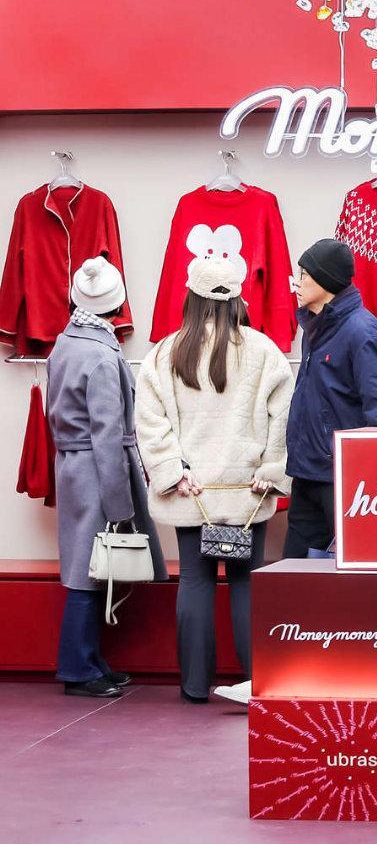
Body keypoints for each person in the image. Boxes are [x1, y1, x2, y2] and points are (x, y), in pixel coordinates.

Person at [136, 254, 293, 705]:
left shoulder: (166, 353)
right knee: (246, 581)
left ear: (190, 296)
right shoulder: (264, 351)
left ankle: (193, 687)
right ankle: (257, 683)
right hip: (248, 493)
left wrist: (172, 472)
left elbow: (150, 421)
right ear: (239, 298)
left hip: (193, 492)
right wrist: (271, 470)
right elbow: (283, 418)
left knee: (195, 580)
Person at [46, 255, 166, 698]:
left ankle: (90, 661)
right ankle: (78, 669)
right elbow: (108, 435)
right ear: (116, 303)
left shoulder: (65, 343)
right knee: (90, 571)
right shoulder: (100, 354)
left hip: (73, 466)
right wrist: (120, 504)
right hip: (97, 470)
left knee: (94, 567)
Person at [283, 239, 377, 559]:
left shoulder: (363, 332)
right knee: (294, 572)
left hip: (346, 479)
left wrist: (372, 481)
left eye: (304, 275)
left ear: (325, 280)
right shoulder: (315, 327)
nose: (297, 283)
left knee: (355, 569)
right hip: (308, 472)